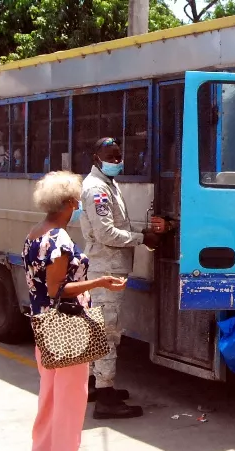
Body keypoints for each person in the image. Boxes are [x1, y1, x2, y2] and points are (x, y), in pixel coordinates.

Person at [23, 170, 127, 451]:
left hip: (44, 324)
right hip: (66, 326)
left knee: (50, 392)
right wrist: (102, 282)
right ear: (69, 202)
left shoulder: (36, 232)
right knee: (71, 395)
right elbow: (57, 289)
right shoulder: (60, 240)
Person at [80, 137, 171, 419]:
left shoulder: (107, 184)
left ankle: (95, 385)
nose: (117, 162)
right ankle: (106, 398)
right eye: (111, 157)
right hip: (105, 269)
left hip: (110, 267)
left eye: (119, 156)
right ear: (96, 158)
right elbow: (106, 232)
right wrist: (143, 237)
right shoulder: (96, 189)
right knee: (108, 331)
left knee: (101, 328)